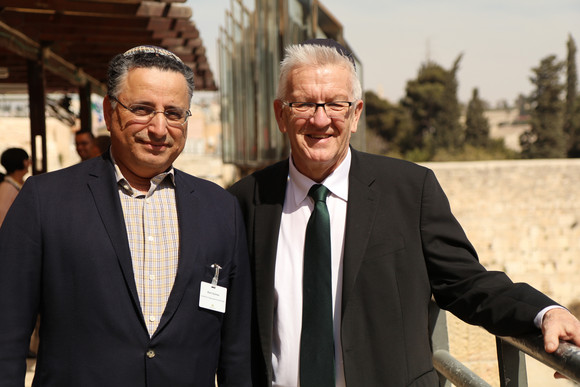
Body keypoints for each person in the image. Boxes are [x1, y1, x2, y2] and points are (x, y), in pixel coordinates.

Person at [228, 39, 580, 386]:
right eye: (304, 104)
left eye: (336, 104)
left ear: (356, 115)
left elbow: (467, 283)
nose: (321, 120)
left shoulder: (410, 191)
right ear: (281, 115)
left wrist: (543, 312)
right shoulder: (246, 201)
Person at [0, 45, 252, 386]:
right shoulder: (45, 201)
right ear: (109, 110)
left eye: (174, 113)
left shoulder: (220, 209)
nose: (160, 128)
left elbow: (236, 350)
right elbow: (6, 335)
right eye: (143, 109)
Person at [0, 147, 30, 226]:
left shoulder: (20, 183)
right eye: (27, 159)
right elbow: (2, 217)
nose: (30, 163)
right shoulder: (7, 188)